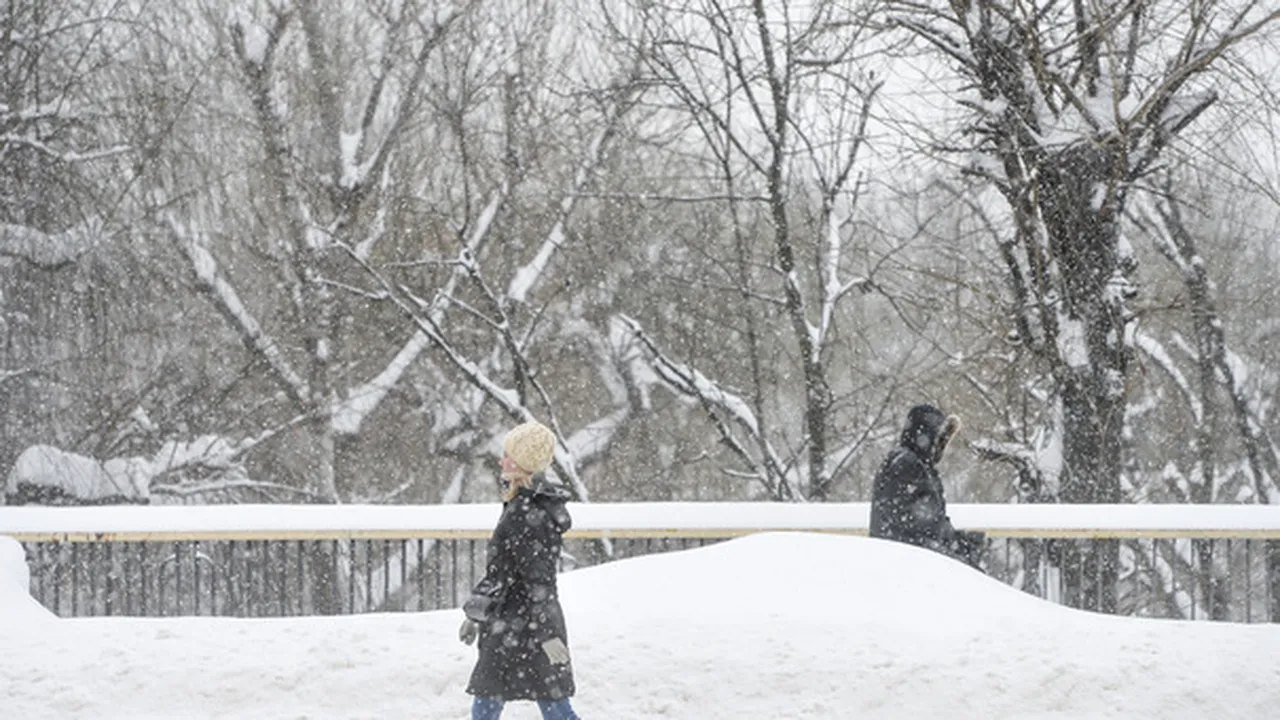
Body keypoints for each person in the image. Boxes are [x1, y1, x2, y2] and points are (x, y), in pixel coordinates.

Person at [459, 421, 581, 720]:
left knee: (551, 707)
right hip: (510, 624)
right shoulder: (522, 507)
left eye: (508, 455)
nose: (501, 461)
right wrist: (475, 613)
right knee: (495, 701)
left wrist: (548, 635)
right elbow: (501, 573)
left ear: (524, 462)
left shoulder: (529, 514)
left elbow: (538, 581)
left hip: (525, 627)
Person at [869, 403, 986, 569]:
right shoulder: (907, 465)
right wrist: (959, 553)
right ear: (927, 435)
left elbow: (929, 524)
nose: (942, 446)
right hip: (907, 563)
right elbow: (921, 528)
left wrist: (960, 542)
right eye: (940, 439)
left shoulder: (911, 463)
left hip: (905, 557)